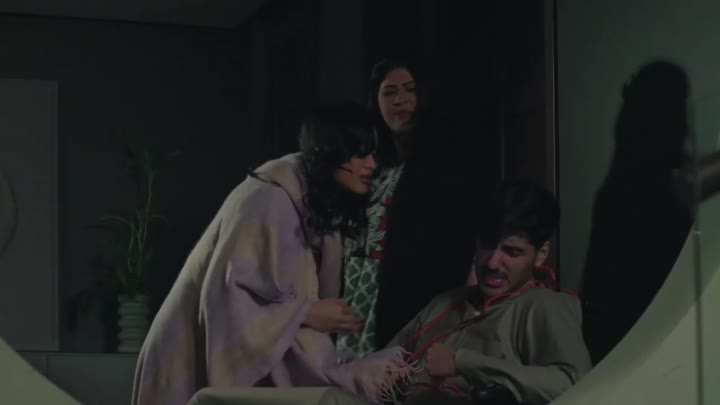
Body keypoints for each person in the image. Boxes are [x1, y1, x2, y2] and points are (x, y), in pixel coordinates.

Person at [132, 101, 403, 405]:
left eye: (373, 154)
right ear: (330, 153)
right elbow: (226, 297)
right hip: (185, 356)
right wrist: (308, 312)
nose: (371, 165)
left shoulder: (310, 201)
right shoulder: (269, 199)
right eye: (360, 153)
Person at [324, 180, 592, 405]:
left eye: (512, 252)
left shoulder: (544, 305)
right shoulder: (447, 302)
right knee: (327, 398)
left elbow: (574, 383)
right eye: (488, 245)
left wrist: (463, 362)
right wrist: (384, 374)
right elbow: (386, 361)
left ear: (540, 254)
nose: (493, 263)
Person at [338, 57, 477, 361]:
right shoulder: (370, 160)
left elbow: (458, 244)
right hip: (358, 292)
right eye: (389, 92)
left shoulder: (446, 163)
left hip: (415, 298)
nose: (399, 100)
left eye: (410, 90)